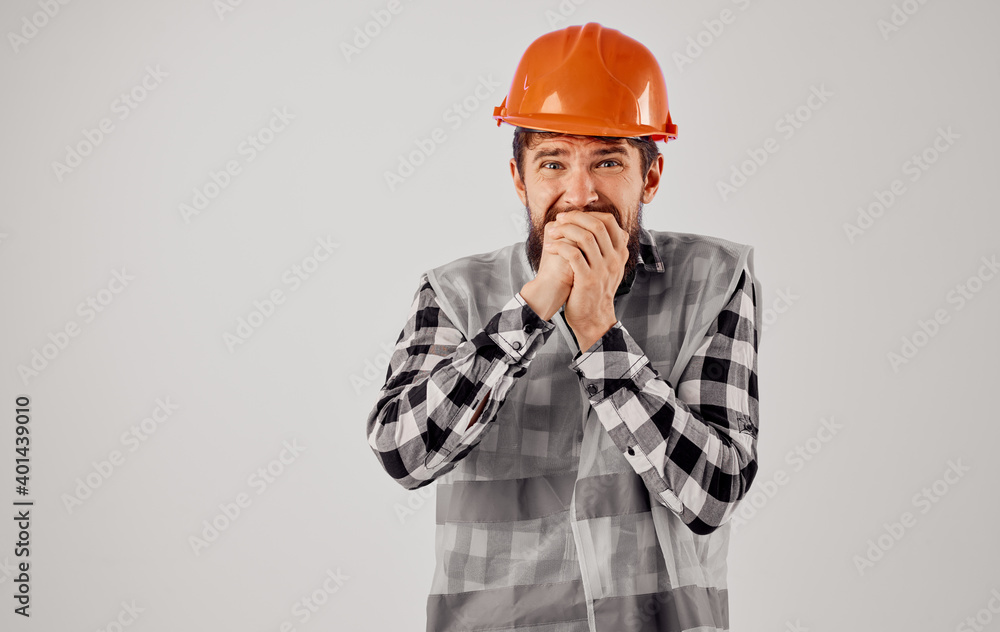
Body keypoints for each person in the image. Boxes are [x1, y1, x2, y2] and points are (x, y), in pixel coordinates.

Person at [366, 22, 762, 632]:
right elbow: (403, 454)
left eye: (607, 160)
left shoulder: (714, 278)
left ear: (649, 178)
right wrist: (531, 311)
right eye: (553, 162)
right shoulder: (452, 292)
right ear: (520, 178)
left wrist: (601, 333)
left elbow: (715, 493)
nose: (580, 194)